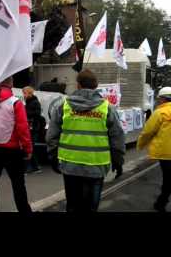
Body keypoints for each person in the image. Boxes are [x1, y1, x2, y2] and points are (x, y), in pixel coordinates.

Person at [46, 69, 125, 212]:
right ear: (96, 86)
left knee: (72, 205)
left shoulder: (63, 107)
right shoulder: (107, 108)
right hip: (96, 166)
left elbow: (51, 137)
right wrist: (118, 162)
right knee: (90, 207)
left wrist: (52, 157)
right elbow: (117, 138)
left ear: (78, 85)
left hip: (70, 165)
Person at [0, 76, 33, 213]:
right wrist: (28, 149)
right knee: (18, 186)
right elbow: (23, 128)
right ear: (11, 83)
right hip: (12, 150)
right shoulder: (15, 103)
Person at [137, 87, 171, 212]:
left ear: (163, 99)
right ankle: (161, 201)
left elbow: (148, 132)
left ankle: (161, 203)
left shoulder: (160, 112)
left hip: (166, 153)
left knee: (168, 179)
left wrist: (140, 144)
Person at [22, 86, 43, 174]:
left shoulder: (34, 102)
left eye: (25, 93)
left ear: (29, 93)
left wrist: (25, 112)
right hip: (30, 127)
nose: (24, 95)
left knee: (30, 147)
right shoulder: (29, 102)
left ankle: (29, 167)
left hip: (34, 127)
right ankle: (36, 167)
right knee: (31, 147)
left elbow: (37, 113)